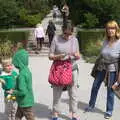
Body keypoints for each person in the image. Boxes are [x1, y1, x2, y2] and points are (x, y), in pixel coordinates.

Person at [84, 20, 120, 119]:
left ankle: (109, 110)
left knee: (110, 90)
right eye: (108, 28)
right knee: (95, 86)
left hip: (113, 70)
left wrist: (118, 80)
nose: (110, 30)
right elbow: (102, 54)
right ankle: (91, 105)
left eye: (112, 28)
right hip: (102, 67)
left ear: (116, 29)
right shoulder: (105, 41)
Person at [49, 22, 80, 120]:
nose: (67, 36)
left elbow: (78, 54)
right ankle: (55, 113)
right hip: (59, 69)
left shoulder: (75, 40)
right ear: (62, 30)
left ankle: (73, 113)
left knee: (73, 92)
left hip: (72, 68)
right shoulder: (56, 39)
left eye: (70, 34)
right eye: (66, 34)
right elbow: (50, 56)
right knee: (57, 92)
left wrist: (77, 56)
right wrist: (59, 56)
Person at [7, 45, 35, 120]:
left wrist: (13, 92)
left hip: (24, 102)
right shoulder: (27, 71)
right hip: (26, 100)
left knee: (30, 117)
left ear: (18, 62)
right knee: (17, 117)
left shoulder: (21, 75)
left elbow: (23, 91)